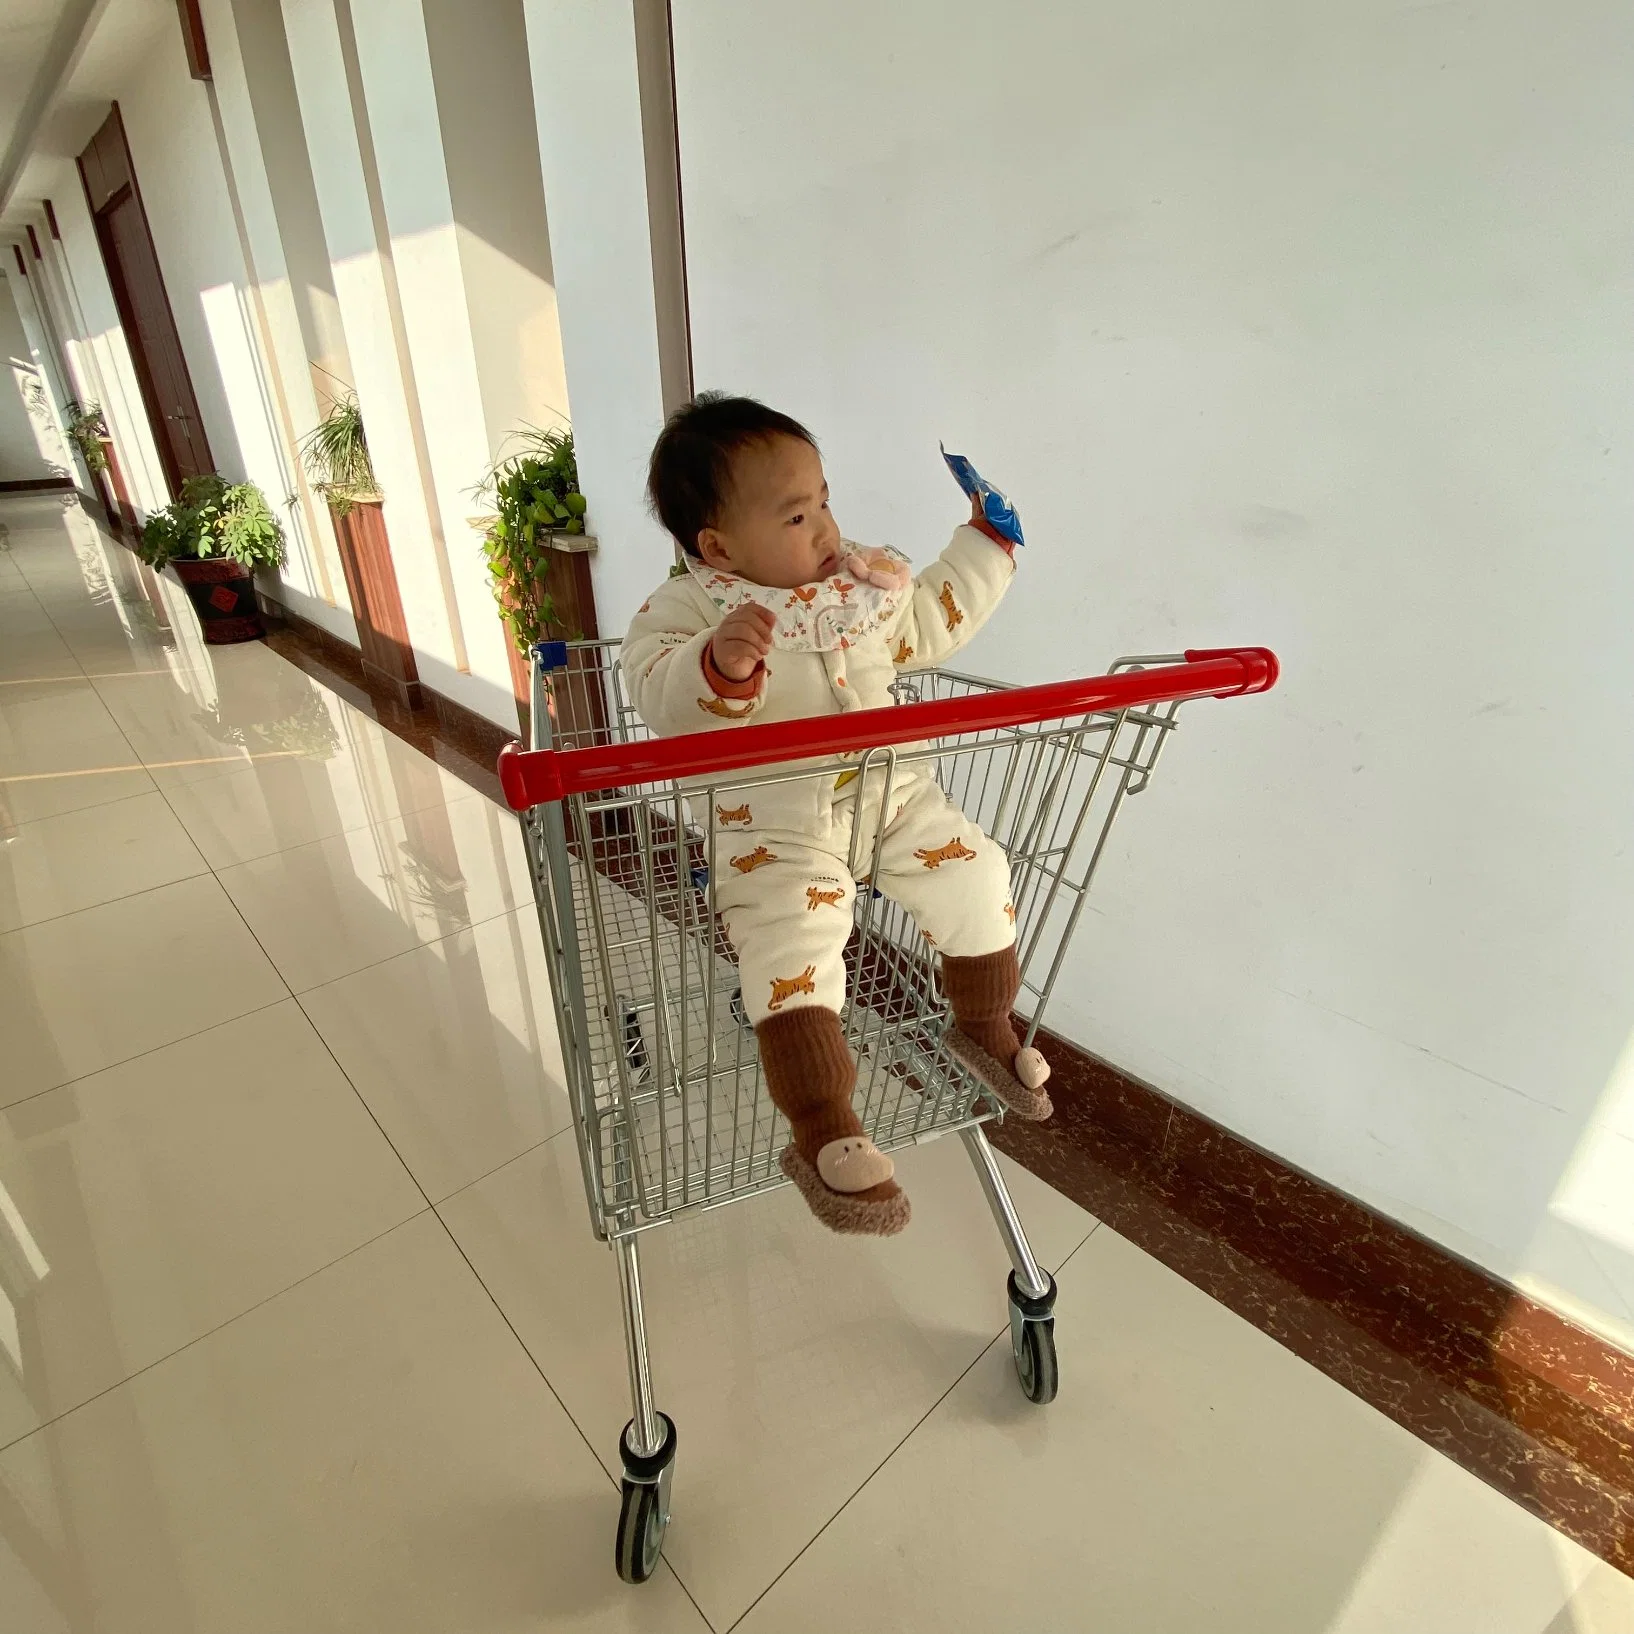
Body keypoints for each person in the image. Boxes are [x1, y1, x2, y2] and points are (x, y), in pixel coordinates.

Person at [623, 394, 1051, 1236]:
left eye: (824, 500)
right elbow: (656, 690)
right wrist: (718, 667)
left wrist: (985, 542)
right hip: (772, 823)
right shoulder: (692, 611)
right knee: (791, 943)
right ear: (718, 547)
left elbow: (929, 615)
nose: (823, 528)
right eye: (794, 513)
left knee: (976, 869)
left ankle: (985, 1025)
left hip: (892, 795)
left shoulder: (860, 581)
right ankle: (823, 1123)